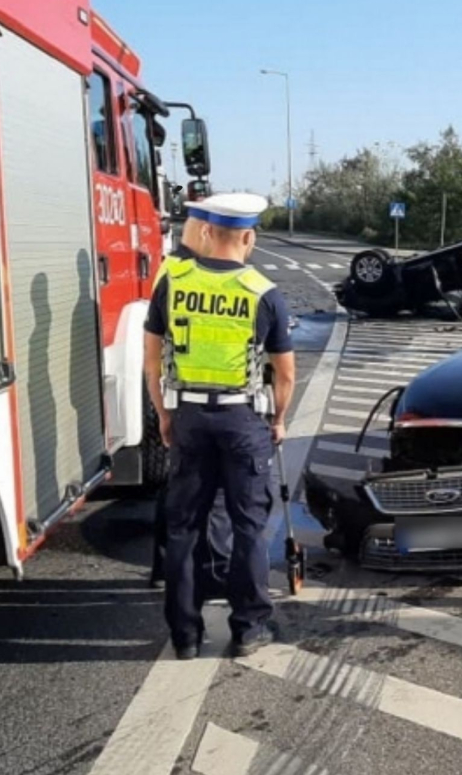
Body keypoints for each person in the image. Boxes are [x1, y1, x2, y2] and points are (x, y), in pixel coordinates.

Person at [143, 192, 296, 660]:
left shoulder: (174, 281)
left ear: (207, 233)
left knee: (184, 525)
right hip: (242, 418)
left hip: (189, 416)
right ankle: (249, 629)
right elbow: (285, 372)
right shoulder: (263, 293)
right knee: (249, 525)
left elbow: (152, 361)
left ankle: (185, 636)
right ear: (249, 237)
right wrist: (279, 418)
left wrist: (165, 416)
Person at [147, 201, 235, 595]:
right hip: (200, 396)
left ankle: (165, 568)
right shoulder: (187, 274)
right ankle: (212, 576)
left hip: (174, 393)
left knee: (177, 487)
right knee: (209, 493)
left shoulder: (170, 268)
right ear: (204, 234)